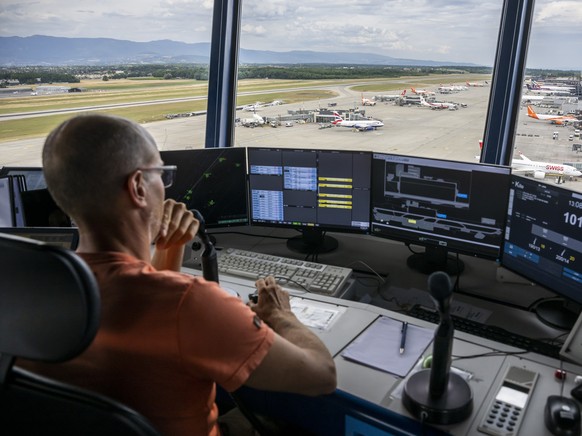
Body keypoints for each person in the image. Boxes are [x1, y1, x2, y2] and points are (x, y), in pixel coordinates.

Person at [18, 114, 336, 435]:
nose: (167, 186)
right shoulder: (191, 304)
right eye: (160, 173)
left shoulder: (28, 297)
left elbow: (146, 310)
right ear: (138, 186)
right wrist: (281, 316)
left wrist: (170, 248)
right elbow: (321, 376)